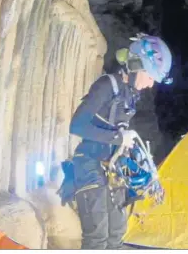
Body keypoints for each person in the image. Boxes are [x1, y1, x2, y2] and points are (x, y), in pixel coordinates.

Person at [64, 33, 173, 249]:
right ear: (136, 65)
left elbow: (117, 127)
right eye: (150, 76)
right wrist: (118, 137)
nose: (151, 84)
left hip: (112, 168)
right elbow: (76, 125)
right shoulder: (106, 86)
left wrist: (133, 153)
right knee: (97, 238)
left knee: (115, 235)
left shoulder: (130, 94)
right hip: (89, 163)